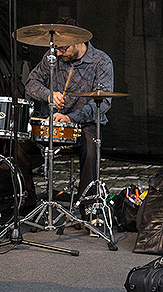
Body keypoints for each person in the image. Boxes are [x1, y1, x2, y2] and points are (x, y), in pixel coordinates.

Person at [21, 17, 114, 213]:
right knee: (18, 140)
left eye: (63, 49)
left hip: (83, 123)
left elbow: (102, 103)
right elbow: (31, 84)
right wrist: (49, 95)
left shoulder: (101, 61)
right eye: (56, 49)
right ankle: (27, 199)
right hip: (52, 122)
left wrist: (72, 118)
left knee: (91, 145)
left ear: (78, 40)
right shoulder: (52, 57)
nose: (59, 53)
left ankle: (86, 206)